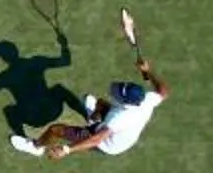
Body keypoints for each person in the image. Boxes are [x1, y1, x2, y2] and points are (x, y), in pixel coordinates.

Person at [11, 57, 168, 159]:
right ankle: (91, 118)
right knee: (99, 103)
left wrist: (66, 150)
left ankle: (35, 147)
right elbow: (163, 91)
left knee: (55, 130)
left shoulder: (118, 118)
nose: (116, 87)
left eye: (120, 91)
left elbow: (96, 139)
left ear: (126, 102)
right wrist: (147, 72)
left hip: (108, 144)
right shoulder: (146, 100)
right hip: (124, 132)